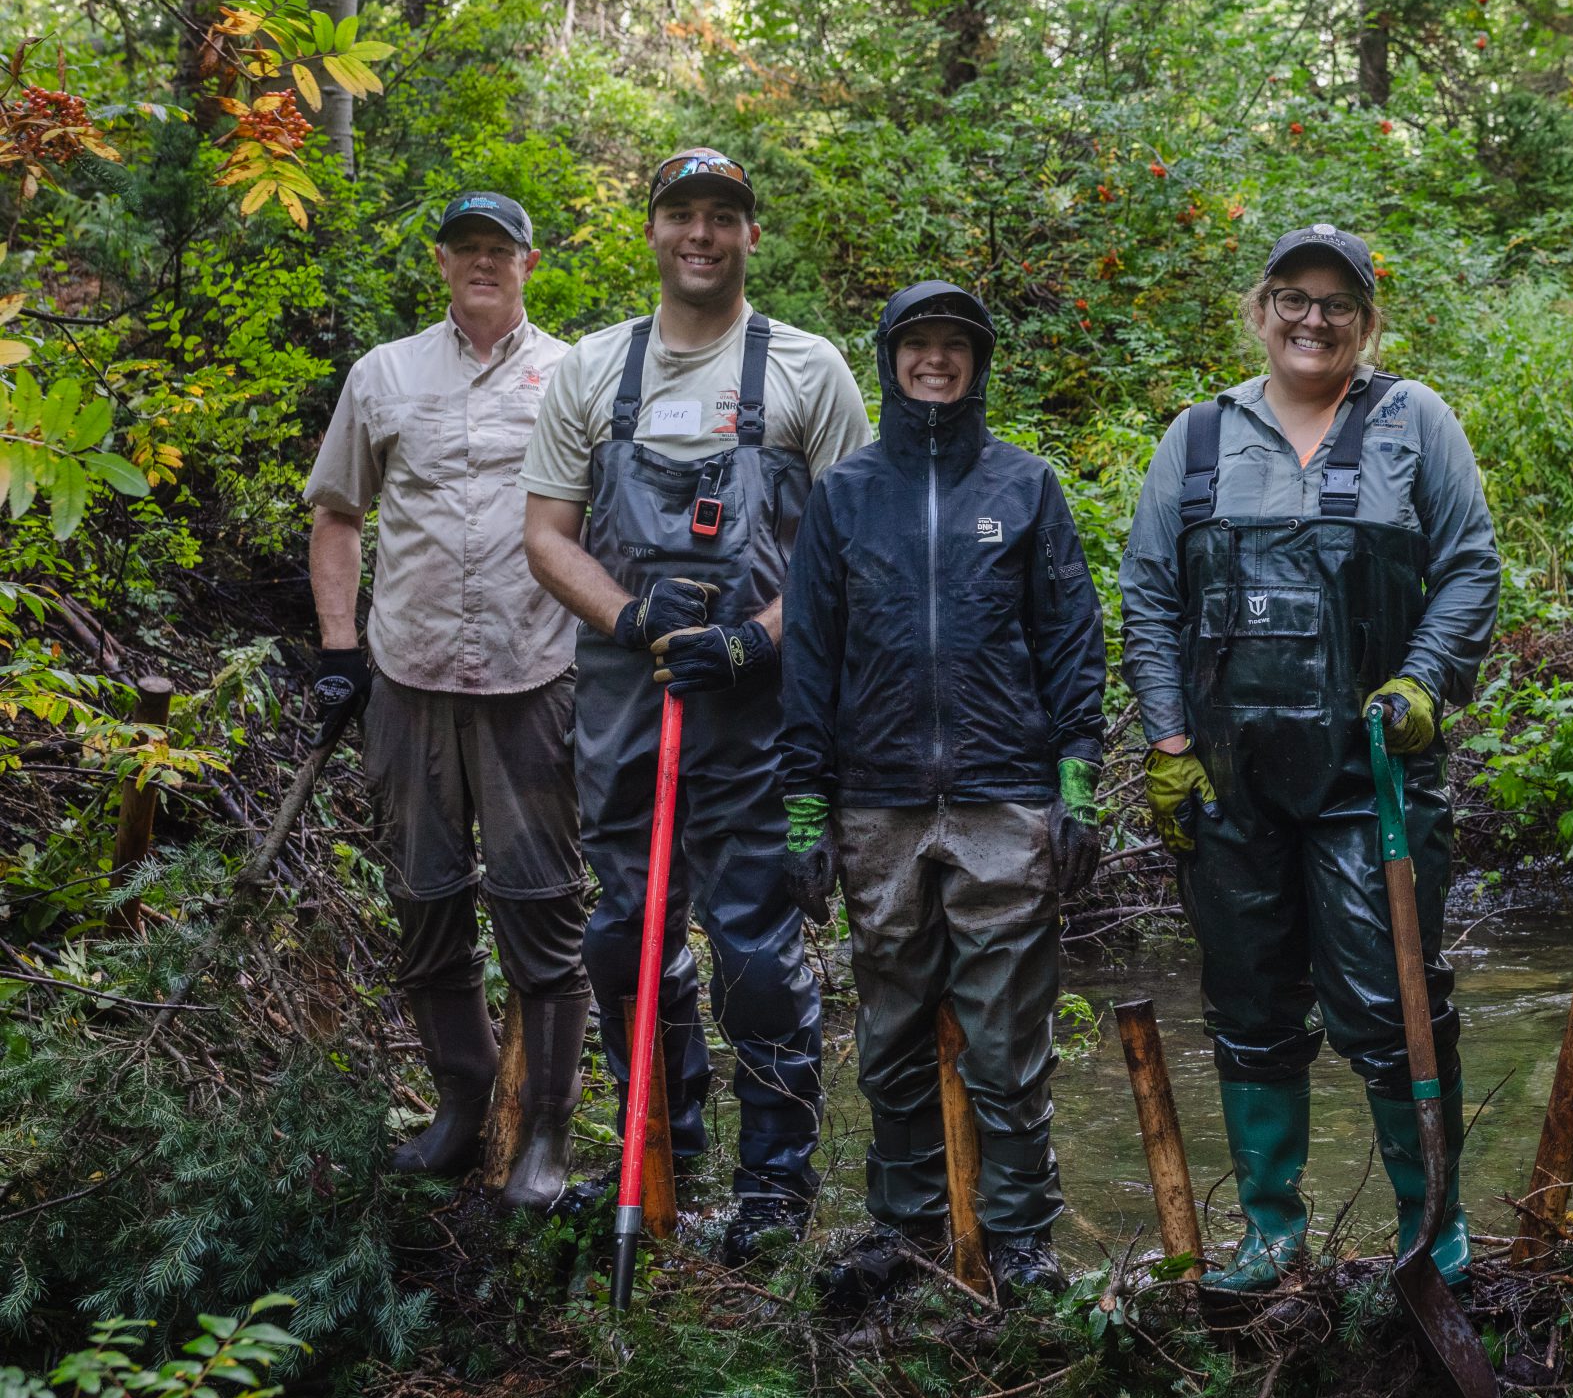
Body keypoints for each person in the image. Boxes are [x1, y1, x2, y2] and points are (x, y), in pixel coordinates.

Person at [1119, 224, 1501, 1293]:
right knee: (1246, 1002)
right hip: (1229, 784)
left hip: (1367, 776)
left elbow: (1469, 567)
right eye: (1293, 296)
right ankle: (1270, 1232)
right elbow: (1148, 597)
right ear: (1261, 308)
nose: (1313, 319)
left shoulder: (1412, 422)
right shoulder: (1197, 438)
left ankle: (1435, 1224)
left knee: (1392, 999)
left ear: (1366, 322)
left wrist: (1424, 681)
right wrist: (1166, 740)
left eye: (1338, 303)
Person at [521, 149, 870, 1262]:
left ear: (750, 236)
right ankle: (661, 1158)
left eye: (724, 217)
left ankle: (773, 1189)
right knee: (626, 940)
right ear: (654, 229)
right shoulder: (590, 370)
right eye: (682, 214)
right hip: (629, 704)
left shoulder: (810, 372)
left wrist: (748, 638)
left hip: (760, 709)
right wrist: (630, 620)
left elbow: (839, 551)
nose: (702, 235)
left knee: (759, 949)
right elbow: (544, 536)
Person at [776, 281, 1106, 1306]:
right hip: (874, 802)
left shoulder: (1025, 486)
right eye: (916, 344)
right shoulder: (845, 494)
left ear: (978, 363)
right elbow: (811, 656)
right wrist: (803, 805)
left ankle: (1017, 1238)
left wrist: (1077, 784)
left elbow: (1070, 638)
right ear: (889, 358)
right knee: (889, 1032)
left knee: (1008, 1037)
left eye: (953, 346)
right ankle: (906, 1227)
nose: (934, 361)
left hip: (1005, 798)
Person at [305, 191, 589, 1211]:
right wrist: (340, 649)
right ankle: (462, 1109)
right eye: (466, 247)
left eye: (499, 250)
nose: (482, 263)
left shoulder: (575, 375)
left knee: (542, 913)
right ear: (441, 261)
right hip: (409, 680)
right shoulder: (385, 374)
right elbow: (339, 514)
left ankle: (547, 1135)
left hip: (534, 678)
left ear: (529, 261)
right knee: (425, 903)